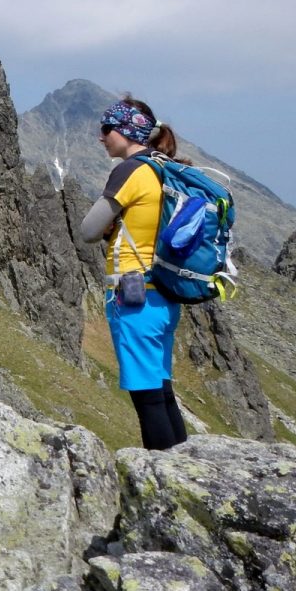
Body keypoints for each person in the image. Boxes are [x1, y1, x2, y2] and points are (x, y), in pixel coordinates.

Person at [79, 96, 187, 450]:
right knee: (162, 390)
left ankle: (164, 483)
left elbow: (89, 230)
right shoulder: (164, 168)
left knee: (147, 398)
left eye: (106, 129)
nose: (101, 137)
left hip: (134, 296)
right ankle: (186, 469)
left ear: (126, 131)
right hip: (166, 296)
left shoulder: (130, 171)